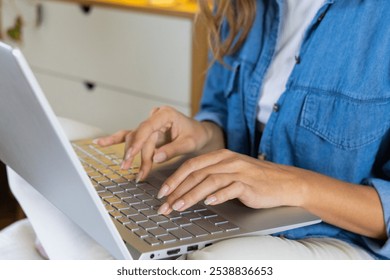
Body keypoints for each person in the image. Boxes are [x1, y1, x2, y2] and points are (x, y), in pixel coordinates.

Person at [94, 0, 390, 260]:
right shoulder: (242, 6)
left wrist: (294, 186)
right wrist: (202, 135)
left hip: (344, 238)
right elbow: (224, 116)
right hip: (240, 214)